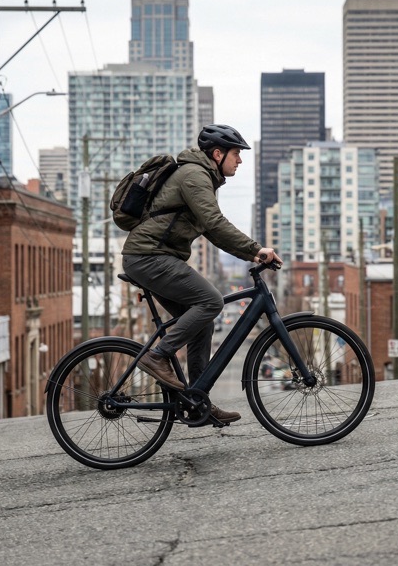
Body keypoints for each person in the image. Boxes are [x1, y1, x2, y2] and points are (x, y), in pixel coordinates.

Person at [121, 124, 283, 424]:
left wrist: (250, 252)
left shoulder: (203, 177)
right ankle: (157, 356)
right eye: (236, 154)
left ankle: (196, 402)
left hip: (155, 257)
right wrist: (256, 248)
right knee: (211, 302)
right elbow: (215, 222)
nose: (240, 160)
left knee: (202, 323)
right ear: (218, 154)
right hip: (148, 256)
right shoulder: (194, 176)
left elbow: (213, 232)